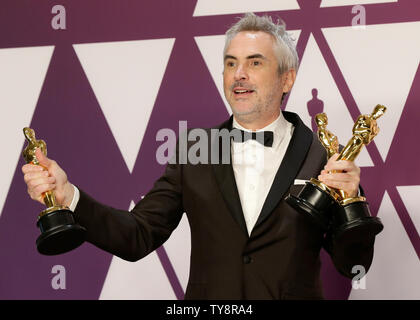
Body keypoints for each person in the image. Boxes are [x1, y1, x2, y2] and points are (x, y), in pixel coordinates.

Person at [22, 13, 375, 299]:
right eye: (231, 63)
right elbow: (138, 235)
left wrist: (352, 201)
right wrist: (68, 196)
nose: (239, 75)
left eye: (255, 62)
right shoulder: (198, 150)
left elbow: (352, 264)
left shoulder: (322, 153)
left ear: (287, 78)